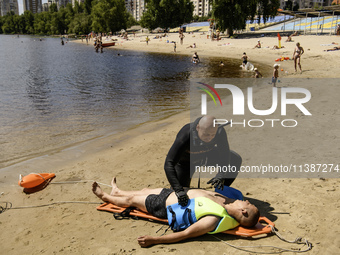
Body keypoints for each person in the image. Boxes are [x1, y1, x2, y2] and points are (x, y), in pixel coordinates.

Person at [92, 178, 260, 248]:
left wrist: (154, 240)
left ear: (243, 211)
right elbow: (254, 220)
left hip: (163, 205)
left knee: (133, 201)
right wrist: (257, 223)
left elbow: (185, 234)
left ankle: (105, 196)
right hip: (174, 194)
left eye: (248, 203)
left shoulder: (213, 219)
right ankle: (117, 191)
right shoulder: (230, 202)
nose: (246, 200)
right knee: (144, 190)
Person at [164, 116, 242, 206]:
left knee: (235, 159)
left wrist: (221, 175)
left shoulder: (219, 131)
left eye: (213, 135)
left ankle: (221, 191)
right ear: (197, 128)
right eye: (206, 134)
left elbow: (225, 155)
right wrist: (178, 189)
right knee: (179, 197)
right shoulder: (186, 134)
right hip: (186, 163)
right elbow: (169, 163)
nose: (209, 138)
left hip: (206, 157)